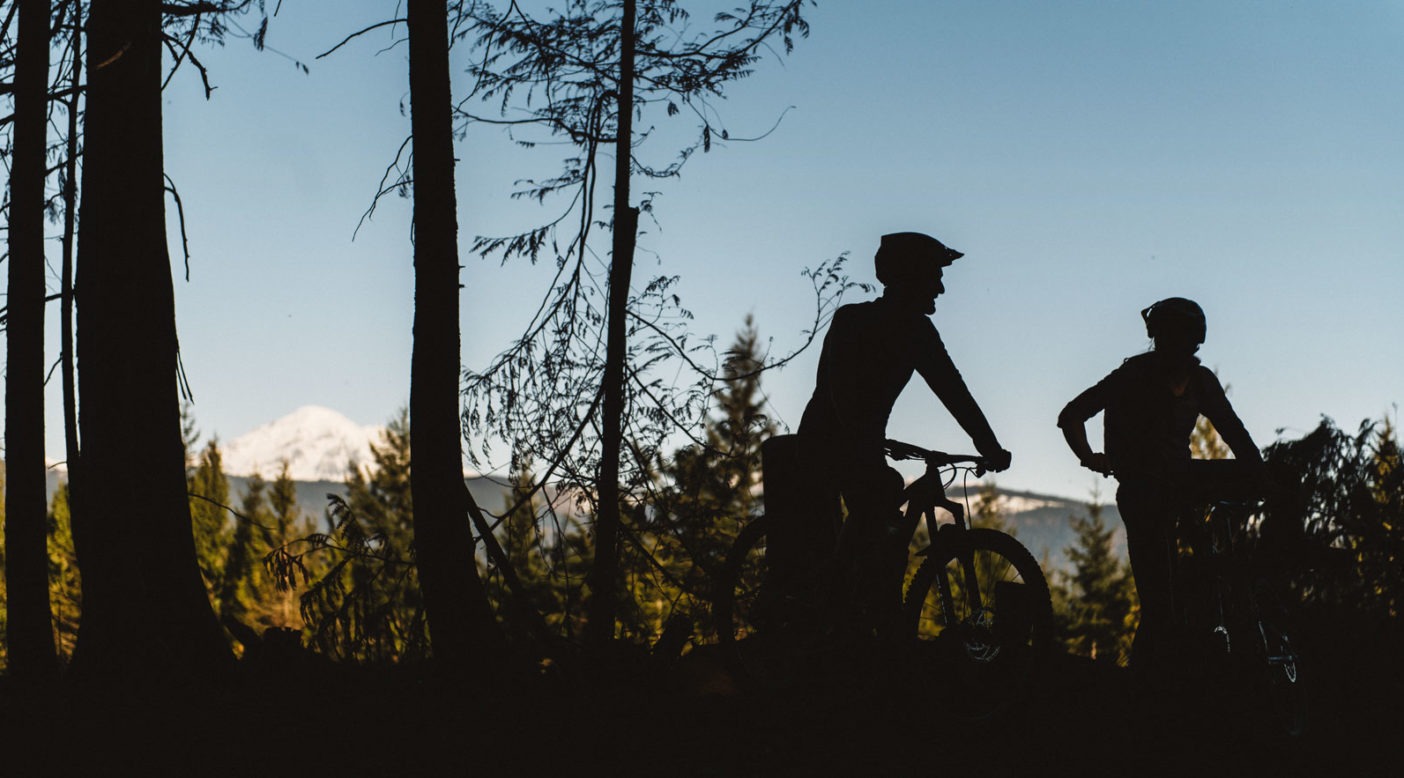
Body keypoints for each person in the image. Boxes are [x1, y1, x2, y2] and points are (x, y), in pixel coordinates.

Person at [796, 231, 1011, 625]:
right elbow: (838, 391)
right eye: (934, 276)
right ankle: (836, 601)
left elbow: (955, 393)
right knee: (879, 496)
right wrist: (865, 443)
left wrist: (990, 445)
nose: (941, 288)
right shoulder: (853, 320)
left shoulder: (918, 333)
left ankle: (870, 608)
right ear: (909, 277)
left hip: (863, 443)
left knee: (882, 510)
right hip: (824, 442)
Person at [1057, 297, 1265, 675]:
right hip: (1144, 488)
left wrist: (1259, 474)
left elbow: (1235, 433)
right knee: (1160, 600)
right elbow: (1071, 416)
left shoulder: (1199, 381)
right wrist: (1091, 457)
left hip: (1179, 482)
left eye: (1186, 341)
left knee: (1177, 590)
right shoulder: (1133, 375)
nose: (1181, 348)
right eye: (1175, 339)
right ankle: (1153, 679)